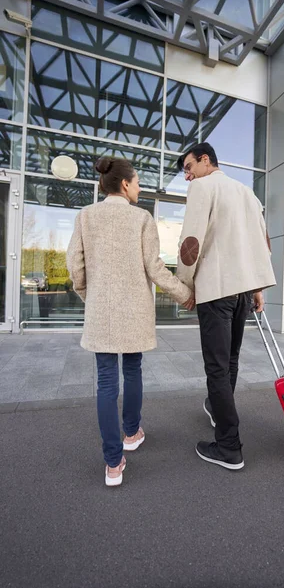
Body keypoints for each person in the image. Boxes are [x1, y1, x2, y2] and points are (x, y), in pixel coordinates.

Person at [67, 157, 194, 487]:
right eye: (137, 182)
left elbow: (75, 269)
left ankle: (113, 464)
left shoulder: (85, 217)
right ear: (125, 184)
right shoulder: (141, 218)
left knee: (106, 381)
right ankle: (131, 433)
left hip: (101, 314)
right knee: (132, 369)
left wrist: (89, 297)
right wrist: (185, 294)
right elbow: (154, 268)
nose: (139, 188)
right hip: (134, 311)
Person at [176, 142, 276, 471]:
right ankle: (218, 410)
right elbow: (262, 243)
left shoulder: (203, 188)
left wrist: (185, 284)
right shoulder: (247, 193)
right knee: (230, 361)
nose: (188, 176)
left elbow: (191, 241)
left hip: (217, 290)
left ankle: (229, 446)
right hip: (242, 292)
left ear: (206, 160)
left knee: (216, 368)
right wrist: (257, 288)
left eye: (189, 167)